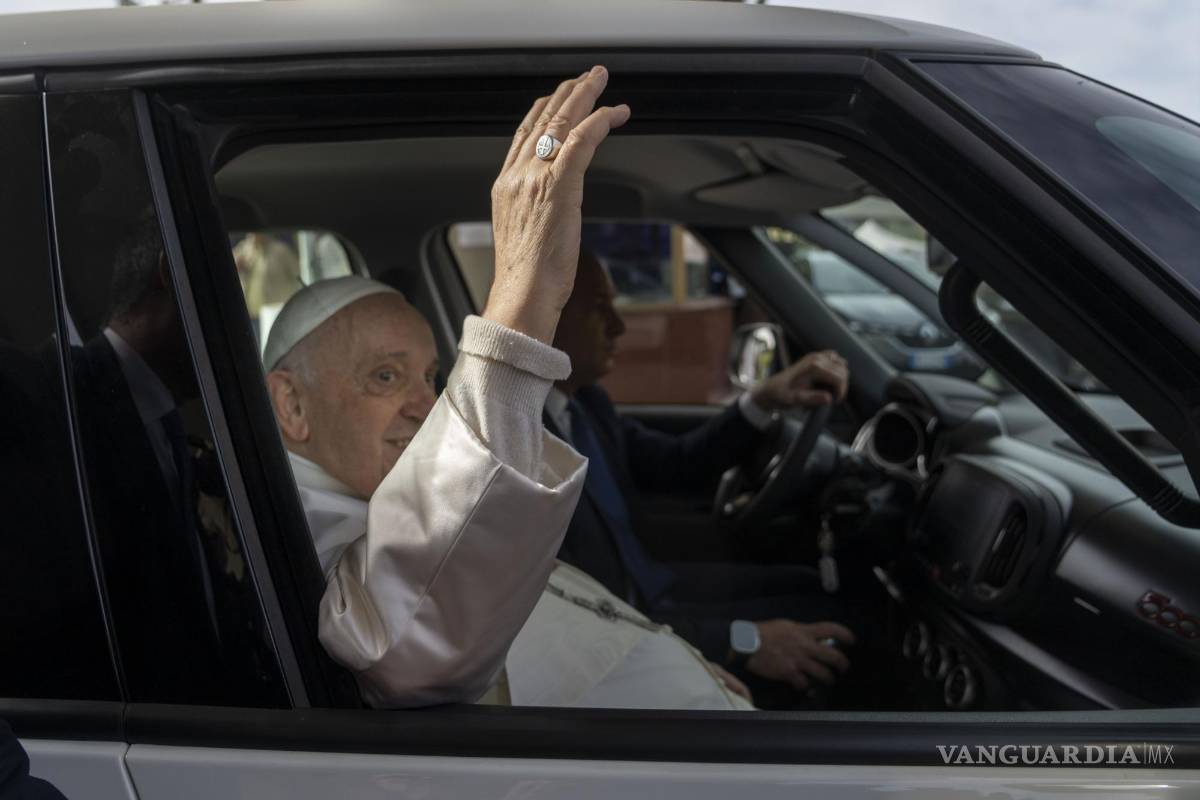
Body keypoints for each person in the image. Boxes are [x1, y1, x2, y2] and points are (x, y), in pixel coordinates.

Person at [265, 275, 752, 710]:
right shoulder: (307, 543)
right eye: (386, 376)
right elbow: (402, 640)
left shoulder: (365, 490)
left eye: (431, 377)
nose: (426, 406)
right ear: (291, 405)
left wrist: (684, 662)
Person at [548, 251, 865, 700]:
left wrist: (765, 399)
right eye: (599, 308)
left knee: (814, 587)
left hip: (653, 589)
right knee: (846, 625)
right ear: (545, 319)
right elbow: (580, 620)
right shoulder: (519, 445)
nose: (618, 326)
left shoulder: (583, 404)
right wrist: (741, 640)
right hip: (627, 629)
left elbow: (677, 463)